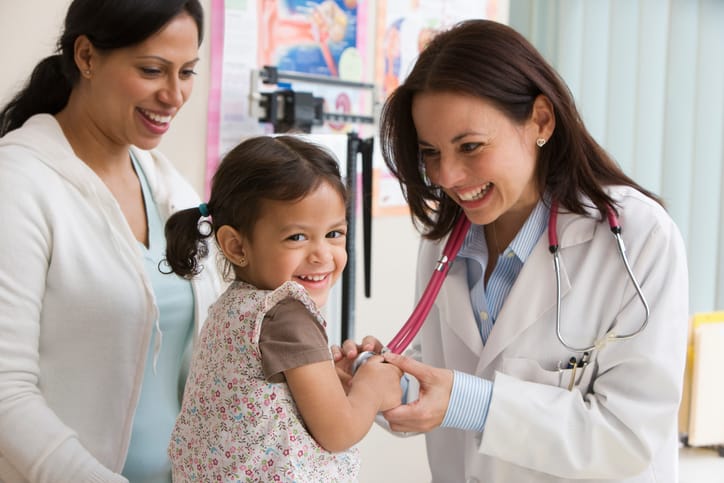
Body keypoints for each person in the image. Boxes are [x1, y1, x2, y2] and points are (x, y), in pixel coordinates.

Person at [335, 19, 689, 482]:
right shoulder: (446, 243)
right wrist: (381, 383)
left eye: (470, 146)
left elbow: (628, 437)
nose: (447, 177)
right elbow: (438, 381)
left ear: (540, 120)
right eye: (432, 153)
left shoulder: (637, 239)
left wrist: (470, 402)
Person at [0, 1, 221, 482]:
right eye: (151, 70)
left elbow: (206, 354)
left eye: (187, 72)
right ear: (86, 57)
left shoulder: (170, 189)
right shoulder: (16, 184)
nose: (175, 95)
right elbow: (5, 392)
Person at [164, 135, 402, 482]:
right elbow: (338, 431)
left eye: (334, 233)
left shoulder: (234, 304)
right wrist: (372, 386)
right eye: (297, 237)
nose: (322, 254)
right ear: (235, 245)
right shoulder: (287, 314)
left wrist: (335, 381)